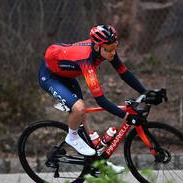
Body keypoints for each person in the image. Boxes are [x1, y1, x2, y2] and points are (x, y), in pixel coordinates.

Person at [38, 25, 148, 173]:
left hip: (66, 75)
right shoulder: (87, 60)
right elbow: (101, 100)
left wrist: (146, 92)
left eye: (115, 46)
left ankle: (98, 163)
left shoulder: (105, 50)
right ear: (97, 47)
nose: (113, 52)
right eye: (109, 49)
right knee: (79, 108)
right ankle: (72, 137)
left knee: (83, 120)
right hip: (50, 77)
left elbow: (123, 72)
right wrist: (126, 116)